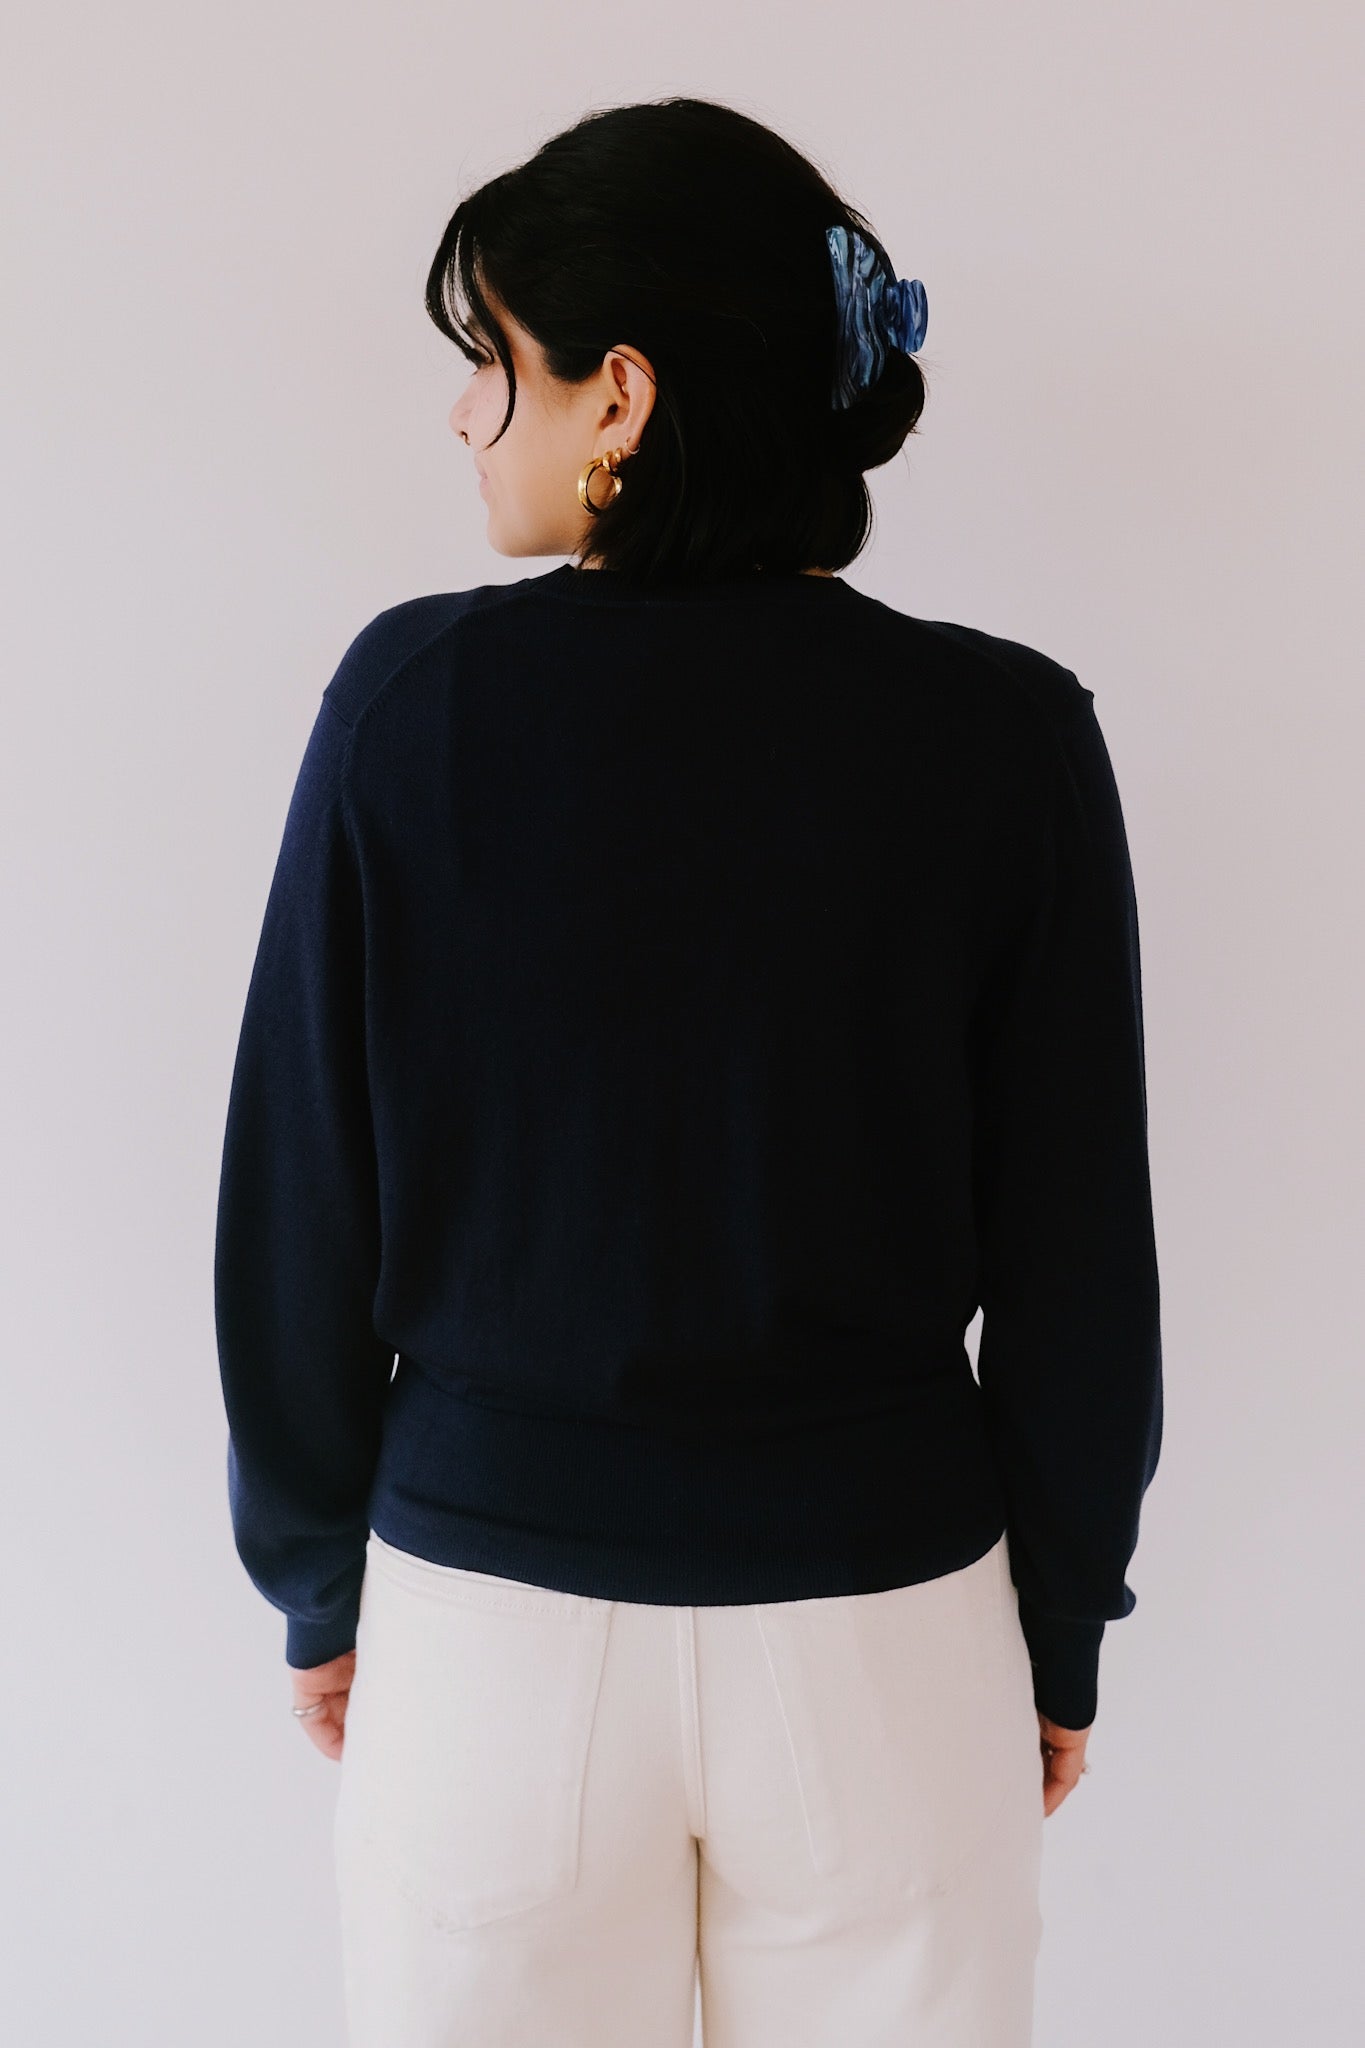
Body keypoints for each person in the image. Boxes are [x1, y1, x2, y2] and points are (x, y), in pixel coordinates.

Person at [214, 94, 1162, 2047]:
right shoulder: (1006, 737)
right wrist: (1058, 1620)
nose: (464, 415)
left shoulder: (408, 707)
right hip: (888, 1644)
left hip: (491, 1644)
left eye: (492, 361)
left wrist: (316, 1577)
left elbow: (299, 1204)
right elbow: (1078, 1261)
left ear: (618, 398)